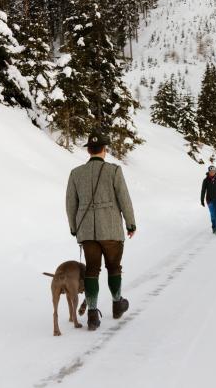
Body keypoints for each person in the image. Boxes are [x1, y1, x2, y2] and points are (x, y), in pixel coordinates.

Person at [66, 131, 136, 331]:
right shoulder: (114, 170)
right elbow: (124, 199)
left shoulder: (76, 173)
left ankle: (92, 315)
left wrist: (74, 227)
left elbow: (71, 204)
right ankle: (117, 304)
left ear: (88, 150)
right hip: (111, 230)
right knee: (113, 268)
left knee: (91, 271)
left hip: (87, 232)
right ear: (104, 150)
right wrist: (131, 224)